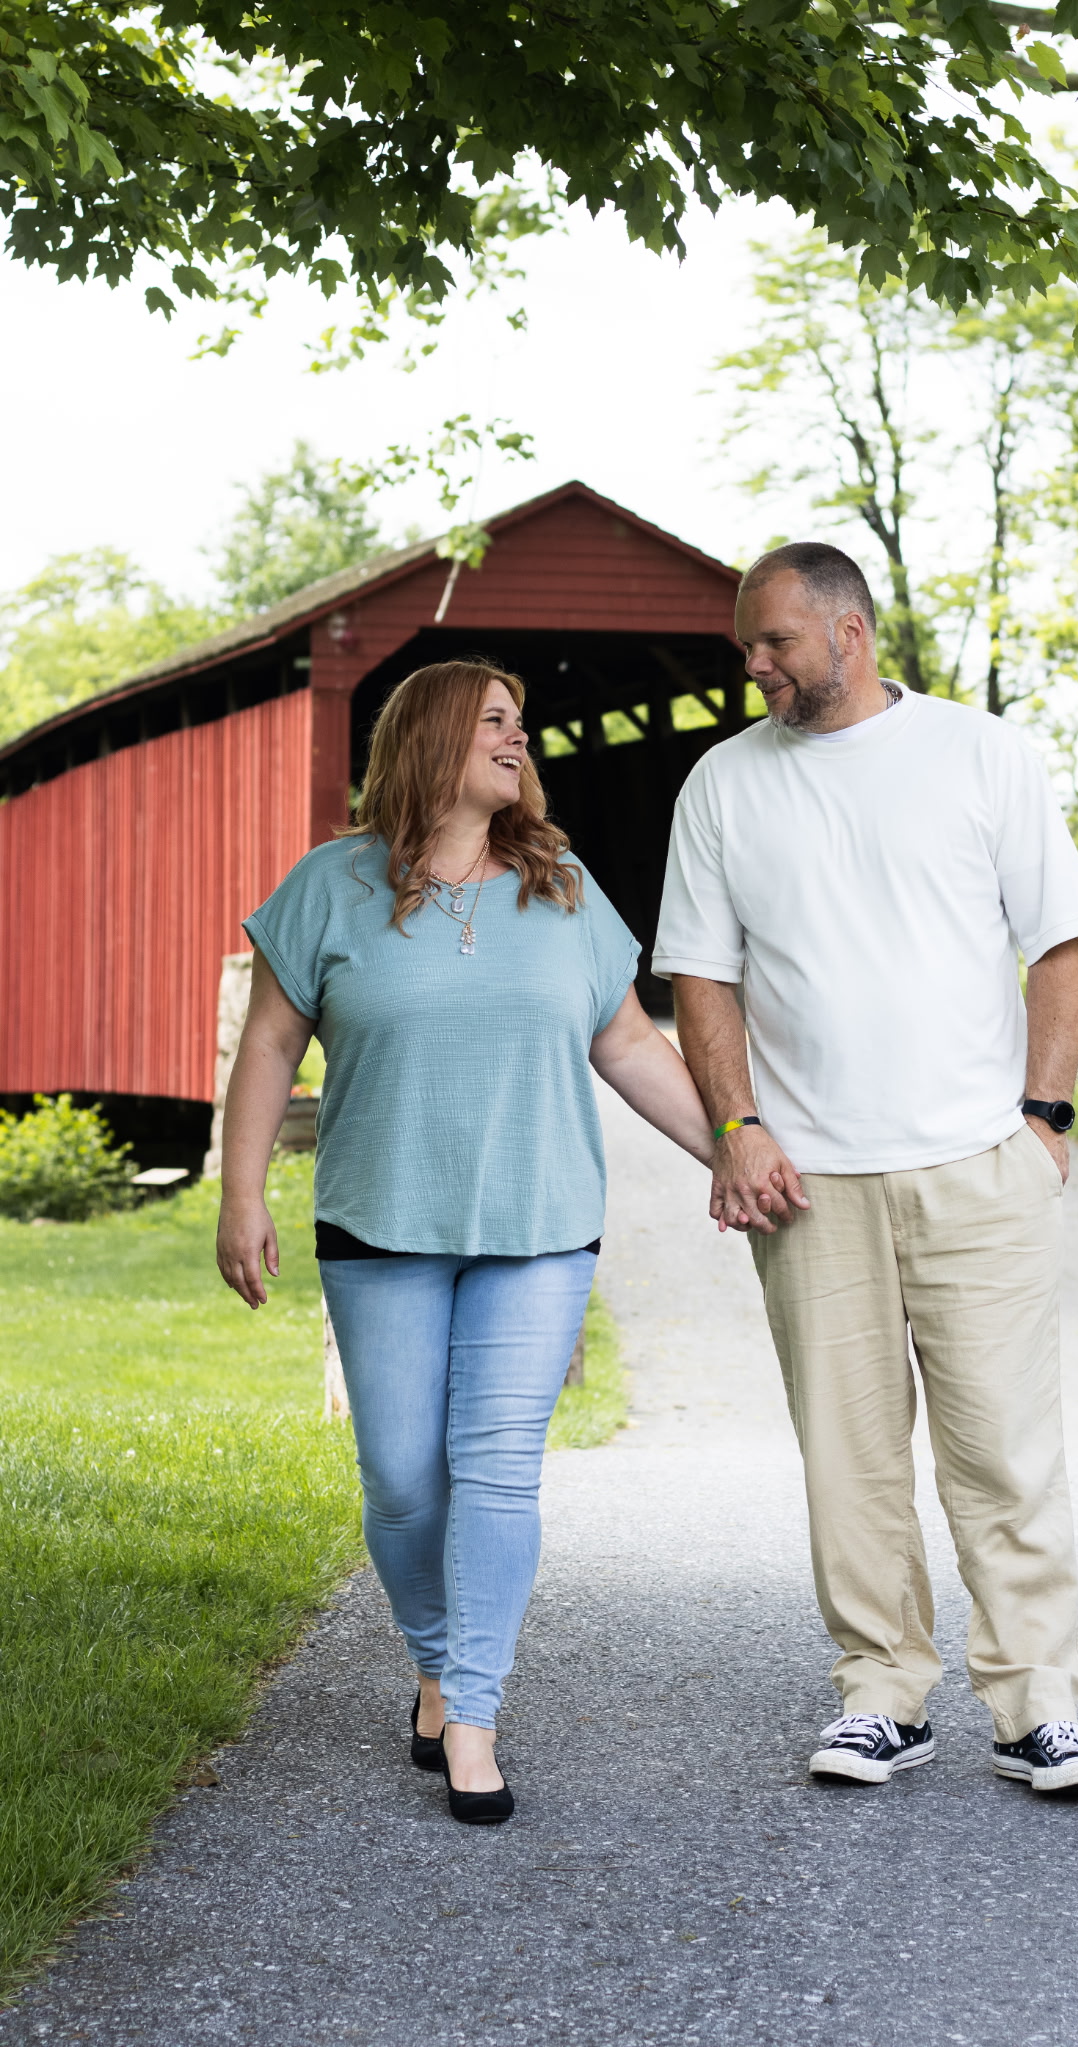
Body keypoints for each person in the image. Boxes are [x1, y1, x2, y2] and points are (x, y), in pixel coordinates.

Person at [655, 543, 1078, 1797]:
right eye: (747, 646)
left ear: (848, 633)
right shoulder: (723, 784)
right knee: (847, 1454)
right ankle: (882, 1693)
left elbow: (1064, 938)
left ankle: (1037, 1709)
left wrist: (1046, 1116)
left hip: (980, 1165)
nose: (755, 665)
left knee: (1006, 1448)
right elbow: (702, 973)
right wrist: (738, 1124)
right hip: (812, 1183)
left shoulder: (984, 756)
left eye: (776, 644)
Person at [217, 660, 712, 1825]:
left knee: (496, 1467)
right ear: (434, 738)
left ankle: (475, 1714)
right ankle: (434, 1661)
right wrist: (242, 1195)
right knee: (399, 1477)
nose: (519, 738)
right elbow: (269, 1049)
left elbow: (632, 1045)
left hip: (539, 1226)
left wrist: (733, 1149)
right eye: (496, 720)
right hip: (379, 1223)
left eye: (521, 724)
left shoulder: (564, 887)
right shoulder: (331, 886)